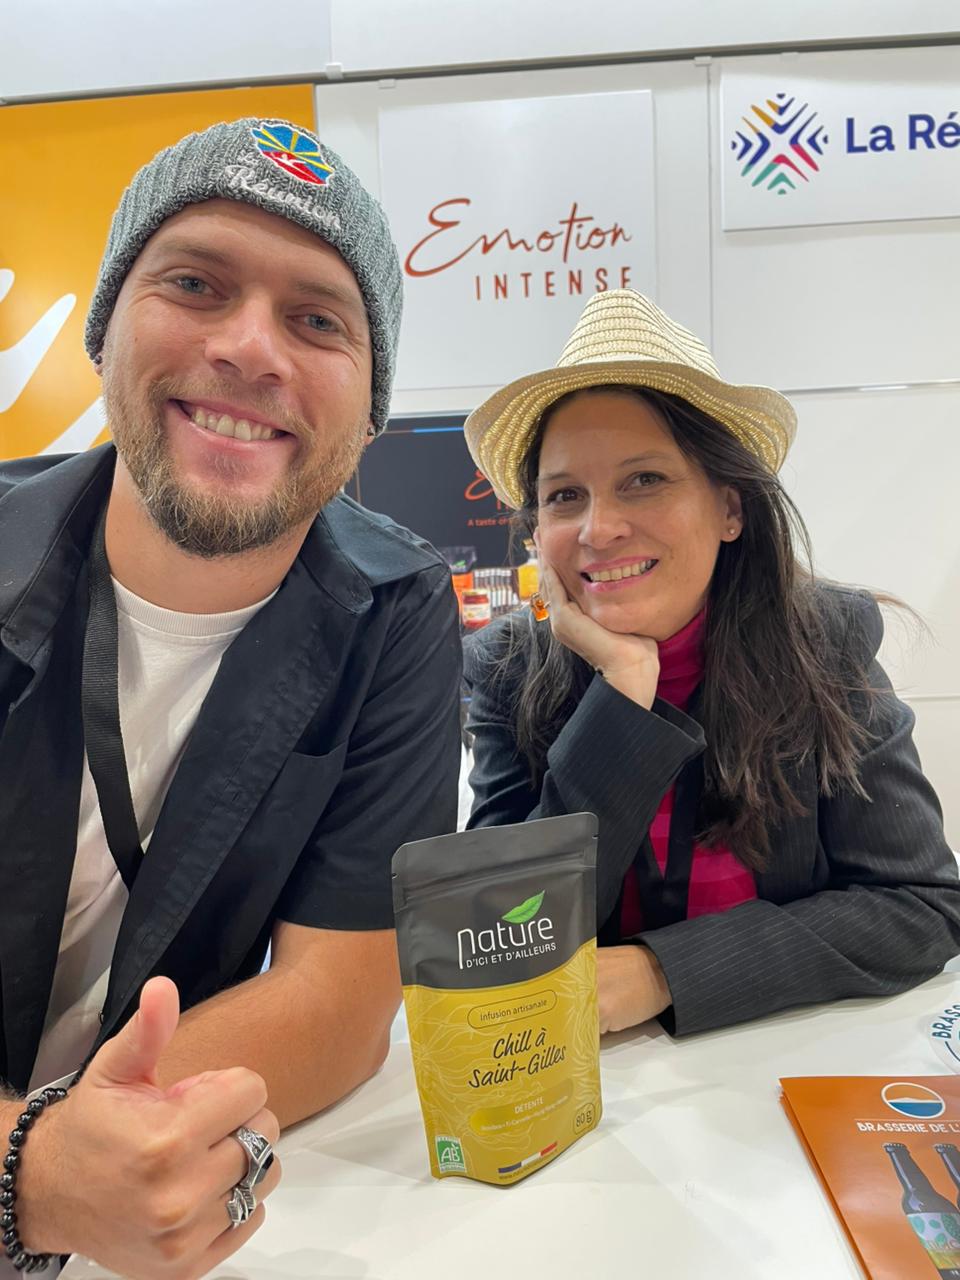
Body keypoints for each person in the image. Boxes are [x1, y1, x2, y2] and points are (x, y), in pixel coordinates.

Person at [0, 118, 461, 1277]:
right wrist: (35, 1168)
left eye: (318, 319)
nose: (252, 349)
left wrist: (102, 1156)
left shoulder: (398, 610)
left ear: (369, 407)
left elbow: (338, 1001)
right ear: (106, 329)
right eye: (197, 283)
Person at [462, 287, 960, 1042]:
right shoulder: (506, 669)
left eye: (644, 480)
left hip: (776, 1066)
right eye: (565, 496)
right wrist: (621, 699)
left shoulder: (825, 644)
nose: (599, 527)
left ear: (730, 509)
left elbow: (920, 904)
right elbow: (494, 933)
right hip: (589, 1088)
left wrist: (663, 972)